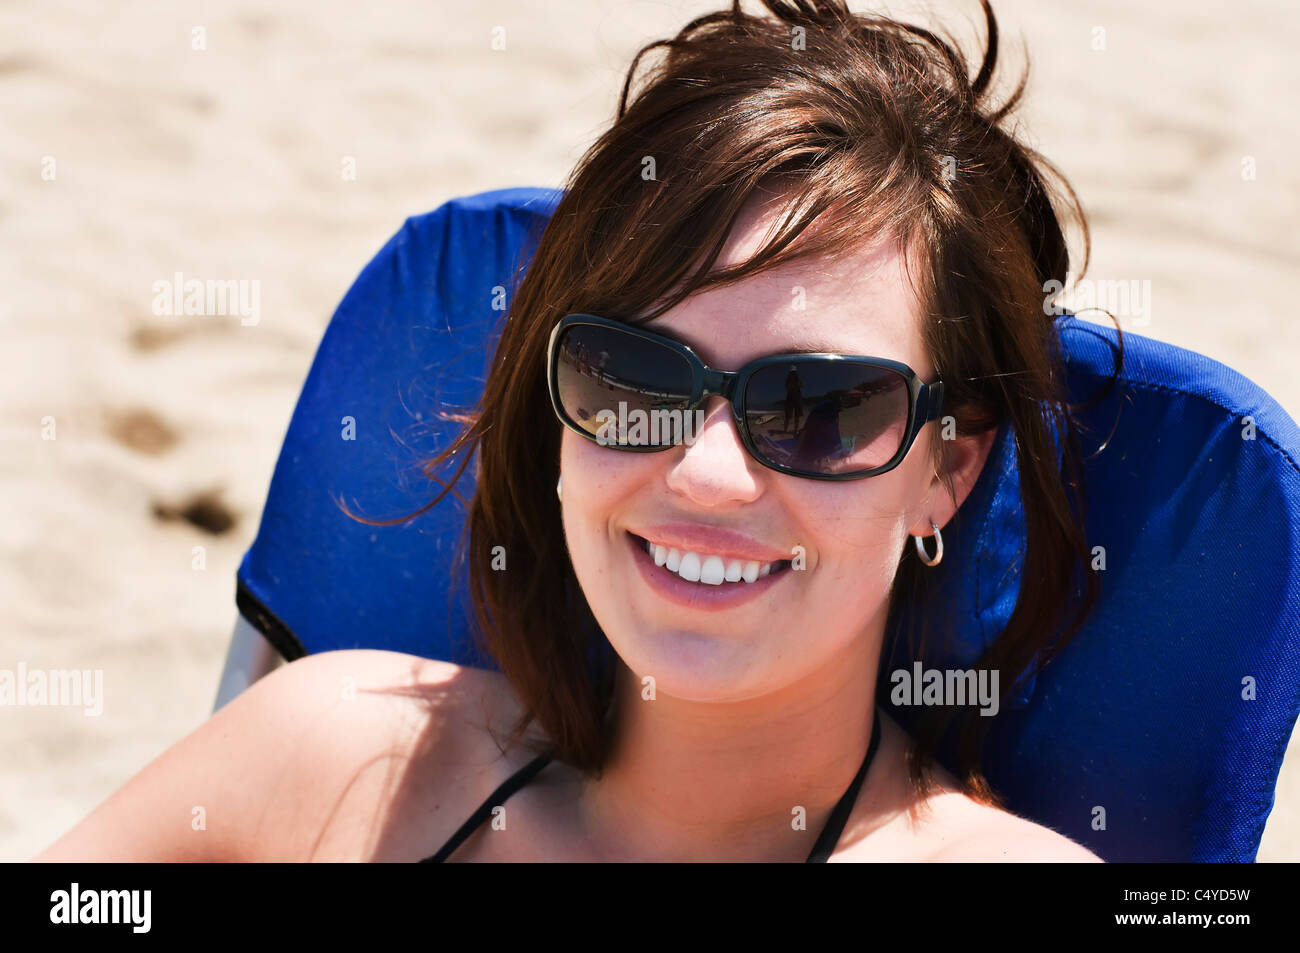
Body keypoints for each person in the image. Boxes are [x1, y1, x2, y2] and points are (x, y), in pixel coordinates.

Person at [35, 0, 1107, 862]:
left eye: (818, 410)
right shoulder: (326, 756)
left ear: (946, 469)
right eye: (634, 377)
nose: (704, 472)